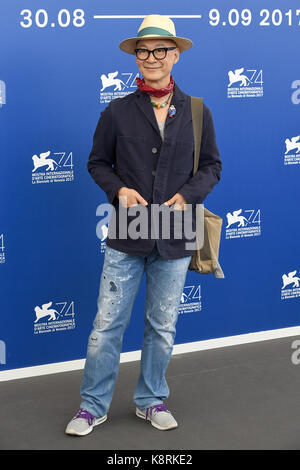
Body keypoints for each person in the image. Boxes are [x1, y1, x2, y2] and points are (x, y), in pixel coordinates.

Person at [65, 14, 222, 436]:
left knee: (162, 326)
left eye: (160, 50)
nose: (151, 57)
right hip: (127, 233)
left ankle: (151, 400)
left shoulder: (197, 111)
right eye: (143, 51)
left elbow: (211, 167)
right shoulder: (116, 112)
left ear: (175, 56)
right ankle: (91, 405)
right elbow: (97, 163)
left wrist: (188, 196)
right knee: (106, 325)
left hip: (177, 231)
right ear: (136, 58)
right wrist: (118, 191)